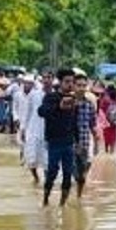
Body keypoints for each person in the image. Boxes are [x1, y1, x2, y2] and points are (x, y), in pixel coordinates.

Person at [37, 68, 80, 207]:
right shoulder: (51, 97)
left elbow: (75, 122)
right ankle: (45, 200)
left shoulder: (74, 100)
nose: (70, 85)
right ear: (60, 82)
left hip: (68, 142)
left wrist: (78, 141)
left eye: (72, 82)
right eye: (67, 82)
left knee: (68, 174)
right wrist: (58, 107)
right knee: (52, 172)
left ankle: (62, 205)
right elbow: (41, 112)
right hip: (54, 142)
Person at [72, 70, 98, 199]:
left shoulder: (89, 105)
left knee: (81, 176)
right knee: (69, 174)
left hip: (84, 143)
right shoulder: (67, 102)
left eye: (84, 85)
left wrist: (97, 143)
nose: (81, 88)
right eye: (79, 85)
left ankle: (78, 198)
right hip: (68, 144)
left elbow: (93, 125)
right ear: (73, 85)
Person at [17, 74, 46, 185]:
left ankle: (47, 182)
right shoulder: (33, 95)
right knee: (31, 160)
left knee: (47, 161)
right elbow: (27, 113)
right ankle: (36, 178)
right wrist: (23, 129)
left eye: (49, 77)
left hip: (47, 131)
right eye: (45, 77)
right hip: (32, 130)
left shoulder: (53, 95)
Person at [98, 84, 116, 154]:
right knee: (113, 136)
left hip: (106, 121)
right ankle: (112, 151)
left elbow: (101, 108)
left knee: (106, 135)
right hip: (114, 122)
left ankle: (106, 150)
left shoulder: (105, 99)